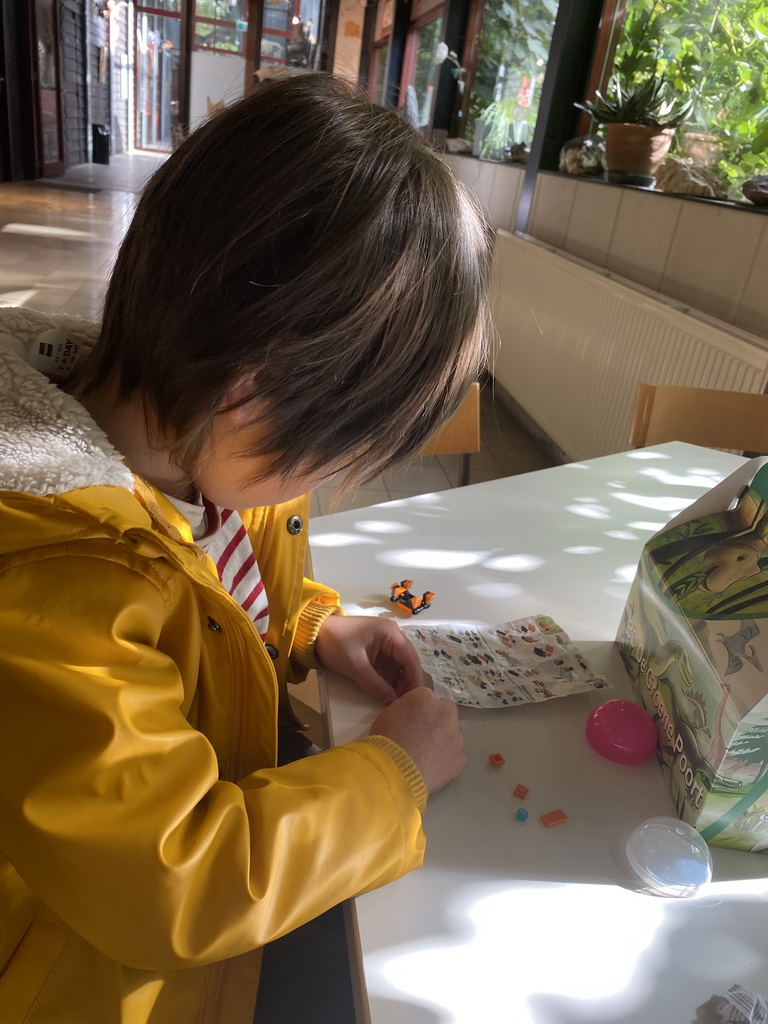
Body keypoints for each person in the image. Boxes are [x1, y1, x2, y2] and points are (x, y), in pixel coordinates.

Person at [0, 74, 491, 1024]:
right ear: (254, 393)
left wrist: (319, 626)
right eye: (336, 451)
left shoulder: (203, 465)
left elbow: (230, 606)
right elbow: (171, 883)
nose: (321, 483)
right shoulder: (57, 584)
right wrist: (396, 777)